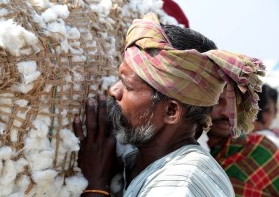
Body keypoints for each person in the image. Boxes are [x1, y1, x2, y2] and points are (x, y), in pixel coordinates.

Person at [74, 13, 265, 197]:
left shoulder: (180, 185)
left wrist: (96, 186)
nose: (114, 91)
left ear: (171, 111)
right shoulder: (146, 163)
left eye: (128, 85)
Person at [206, 87, 279, 196]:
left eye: (234, 105)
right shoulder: (179, 147)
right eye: (217, 102)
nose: (226, 113)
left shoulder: (261, 149)